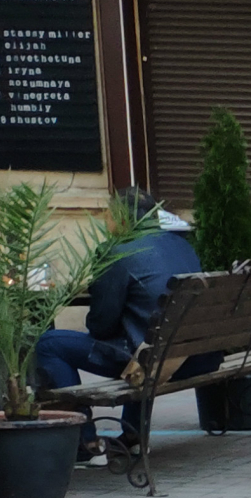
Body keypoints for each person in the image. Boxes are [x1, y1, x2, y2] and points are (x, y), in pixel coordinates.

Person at [34, 189, 204, 459]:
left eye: (108, 214)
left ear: (122, 218)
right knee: (147, 343)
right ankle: (133, 435)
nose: (105, 221)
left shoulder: (120, 253)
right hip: (196, 358)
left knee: (48, 344)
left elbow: (101, 326)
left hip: (153, 361)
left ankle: (85, 443)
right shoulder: (182, 244)